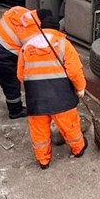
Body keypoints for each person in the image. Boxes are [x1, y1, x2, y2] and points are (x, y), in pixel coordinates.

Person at [16, 11, 86, 169]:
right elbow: (74, 71)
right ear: (58, 29)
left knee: (39, 131)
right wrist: (80, 88)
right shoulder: (63, 43)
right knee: (69, 125)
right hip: (61, 96)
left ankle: (43, 160)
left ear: (41, 27)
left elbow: (20, 75)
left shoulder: (27, 46)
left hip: (36, 98)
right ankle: (78, 149)